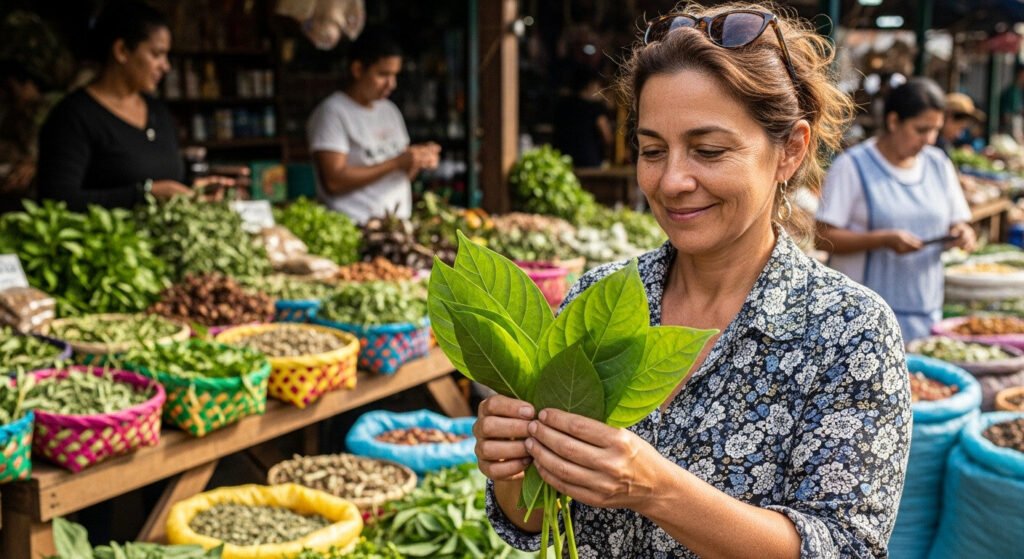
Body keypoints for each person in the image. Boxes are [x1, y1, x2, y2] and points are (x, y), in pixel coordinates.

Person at [476, 4, 911, 557]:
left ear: (790, 150)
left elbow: (844, 547)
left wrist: (656, 489)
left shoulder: (849, 333)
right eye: (652, 150)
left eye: (709, 150)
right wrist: (513, 466)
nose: (673, 180)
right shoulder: (603, 299)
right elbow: (537, 517)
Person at [816, 78, 976, 341]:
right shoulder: (852, 166)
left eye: (935, 130)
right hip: (859, 322)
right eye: (921, 130)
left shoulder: (938, 164)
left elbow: (957, 222)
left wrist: (961, 233)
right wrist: (882, 240)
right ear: (893, 122)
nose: (929, 140)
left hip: (924, 312)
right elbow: (823, 237)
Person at [36, 0, 222, 212]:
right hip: (109, 242)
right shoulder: (73, 117)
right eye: (156, 54)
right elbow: (57, 200)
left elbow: (168, 180)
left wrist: (193, 190)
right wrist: (144, 194)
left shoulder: (158, 112)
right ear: (122, 51)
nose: (166, 66)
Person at [307, 28, 439, 224]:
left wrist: (417, 160)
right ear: (358, 70)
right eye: (383, 74)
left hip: (397, 225)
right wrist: (396, 162)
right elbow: (333, 182)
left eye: (395, 75)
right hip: (355, 227)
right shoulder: (332, 112)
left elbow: (403, 175)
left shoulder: (390, 110)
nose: (391, 84)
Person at [553, 63, 613, 168]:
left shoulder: (562, 106)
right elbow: (606, 136)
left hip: (562, 161)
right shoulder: (595, 107)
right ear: (590, 85)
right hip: (589, 162)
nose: (600, 91)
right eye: (598, 86)